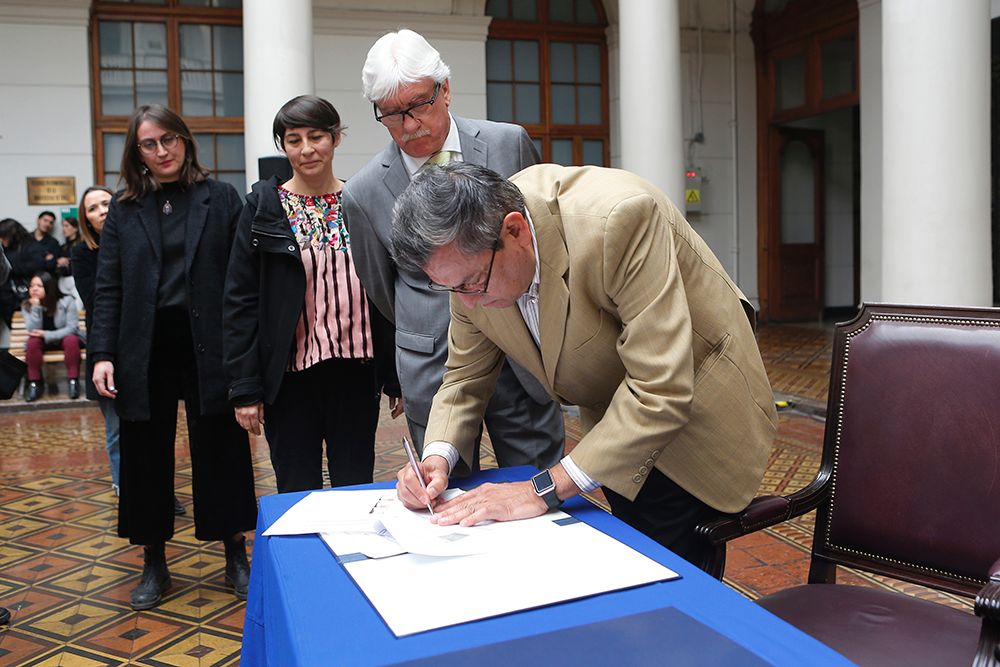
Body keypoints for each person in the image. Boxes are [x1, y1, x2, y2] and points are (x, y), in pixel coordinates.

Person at [393, 163, 778, 570]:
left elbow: (659, 387)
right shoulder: (470, 262)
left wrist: (541, 489)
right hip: (615, 416)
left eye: (471, 284)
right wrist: (436, 458)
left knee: (672, 576)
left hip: (696, 411)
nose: (466, 302)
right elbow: (464, 376)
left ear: (515, 230)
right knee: (629, 558)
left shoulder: (619, 220)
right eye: (450, 287)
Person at [342, 28, 563, 474]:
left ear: (445, 89)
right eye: (391, 115)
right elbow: (384, 289)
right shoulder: (363, 193)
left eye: (418, 105)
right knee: (444, 485)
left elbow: (541, 233)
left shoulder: (508, 144)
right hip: (436, 363)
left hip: (520, 348)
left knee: (538, 479)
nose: (409, 126)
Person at [90, 104, 257, 610]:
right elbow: (108, 286)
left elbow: (240, 279)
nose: (162, 151)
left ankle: (234, 551)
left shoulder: (220, 198)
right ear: (136, 152)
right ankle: (154, 562)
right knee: (144, 454)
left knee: (222, 447)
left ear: (185, 140)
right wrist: (102, 353)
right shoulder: (125, 209)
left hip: (208, 341)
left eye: (169, 139)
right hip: (143, 345)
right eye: (150, 143)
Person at [224, 95, 400, 493]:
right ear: (283, 146)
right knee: (296, 487)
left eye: (316, 137)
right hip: (290, 379)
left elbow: (388, 291)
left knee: (354, 487)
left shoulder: (362, 202)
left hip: (356, 375)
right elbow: (240, 301)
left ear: (336, 138)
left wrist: (395, 377)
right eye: (294, 140)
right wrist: (245, 387)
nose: (306, 149)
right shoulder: (262, 208)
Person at [72, 185, 121, 492]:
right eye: (93, 208)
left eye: (106, 203)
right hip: (106, 348)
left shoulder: (136, 241)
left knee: (152, 428)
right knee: (116, 428)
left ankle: (158, 493)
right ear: (86, 219)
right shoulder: (82, 253)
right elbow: (95, 300)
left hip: (142, 346)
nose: (102, 211)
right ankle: (124, 487)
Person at [21, 271, 82, 401]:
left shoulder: (67, 300)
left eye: (39, 286)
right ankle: (35, 383)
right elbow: (32, 330)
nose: (34, 289)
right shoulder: (27, 305)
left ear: (49, 287)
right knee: (32, 342)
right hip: (41, 342)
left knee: (72, 340)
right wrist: (36, 307)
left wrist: (47, 334)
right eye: (32, 286)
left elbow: (72, 328)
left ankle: (73, 381)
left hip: (63, 339)